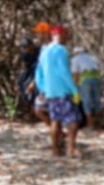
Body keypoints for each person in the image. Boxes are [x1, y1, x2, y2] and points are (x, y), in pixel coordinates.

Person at [34, 24, 81, 157]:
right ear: (59, 35)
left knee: (55, 119)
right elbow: (63, 71)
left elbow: (39, 73)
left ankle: (55, 149)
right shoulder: (61, 50)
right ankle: (70, 149)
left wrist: (43, 88)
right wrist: (73, 89)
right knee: (72, 120)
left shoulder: (44, 52)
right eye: (66, 35)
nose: (67, 38)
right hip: (63, 90)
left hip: (50, 91)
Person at [27, 21, 52, 126]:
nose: (37, 35)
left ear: (45, 33)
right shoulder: (43, 48)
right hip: (42, 86)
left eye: (38, 32)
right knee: (44, 110)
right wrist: (34, 82)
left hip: (49, 87)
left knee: (39, 110)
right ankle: (57, 134)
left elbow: (51, 70)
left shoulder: (52, 48)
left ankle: (58, 134)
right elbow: (40, 68)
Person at [71, 46, 102, 129]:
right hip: (96, 78)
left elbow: (76, 75)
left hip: (85, 80)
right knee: (96, 100)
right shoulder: (92, 58)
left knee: (86, 101)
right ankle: (98, 123)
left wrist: (74, 88)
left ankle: (89, 124)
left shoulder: (75, 59)